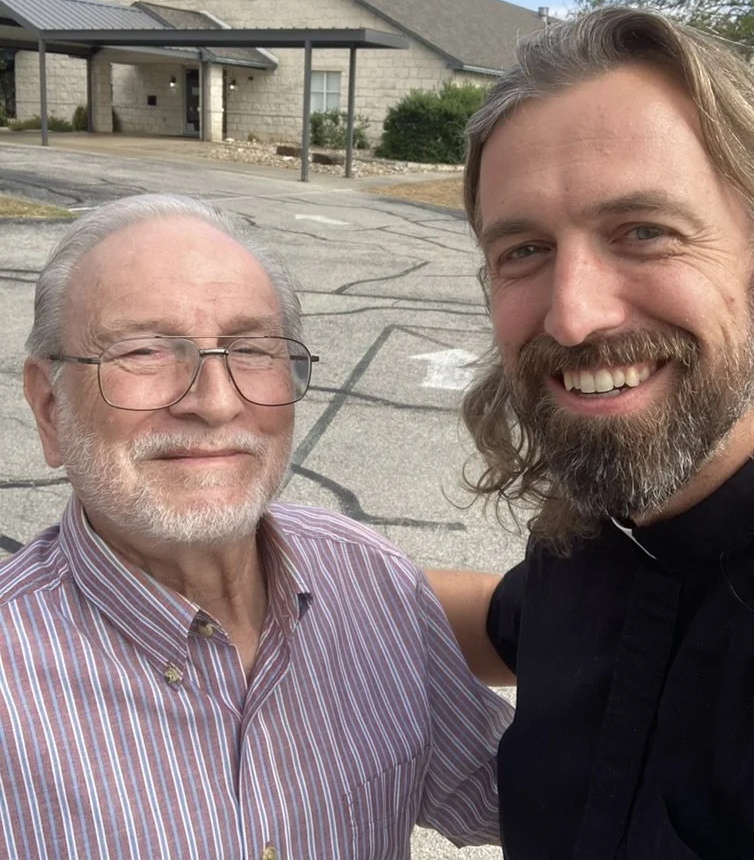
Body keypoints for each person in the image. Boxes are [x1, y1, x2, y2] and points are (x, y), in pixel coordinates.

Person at [6, 193, 510, 859]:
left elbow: (522, 800)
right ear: (49, 409)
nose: (215, 402)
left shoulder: (370, 582)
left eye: (250, 349)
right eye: (144, 351)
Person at [430, 7, 754, 858]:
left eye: (644, 232)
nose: (574, 316)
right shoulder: (598, 532)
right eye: (525, 250)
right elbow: (498, 623)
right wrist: (253, 570)